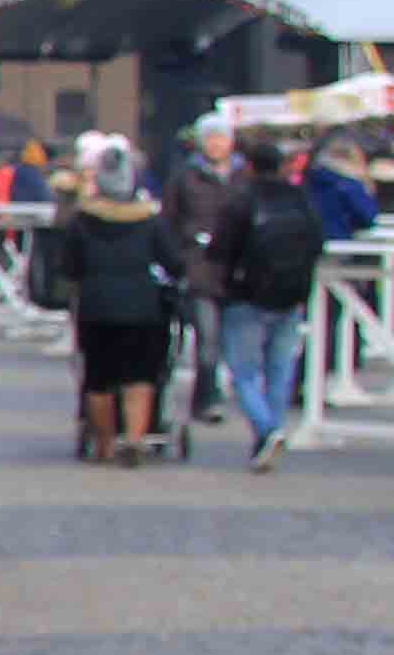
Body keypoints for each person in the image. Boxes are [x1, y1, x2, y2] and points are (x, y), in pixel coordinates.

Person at [53, 142, 184, 464]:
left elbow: (69, 267)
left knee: (98, 379)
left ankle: (105, 444)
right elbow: (174, 263)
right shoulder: (150, 220)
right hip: (143, 308)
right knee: (140, 376)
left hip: (96, 308)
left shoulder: (83, 221)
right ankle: (135, 439)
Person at [212, 132, 330, 466]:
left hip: (246, 295)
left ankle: (266, 430)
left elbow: (221, 249)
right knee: (279, 370)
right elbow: (318, 242)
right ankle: (272, 431)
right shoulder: (300, 199)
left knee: (244, 372)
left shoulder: (241, 200)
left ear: (249, 166)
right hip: (291, 294)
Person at [162, 117, 252, 448]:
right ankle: (206, 400)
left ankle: (229, 396)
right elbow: (168, 222)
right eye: (210, 138)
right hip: (199, 268)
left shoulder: (245, 177)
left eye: (221, 138)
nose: (216, 144)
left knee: (235, 341)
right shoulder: (184, 177)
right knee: (207, 341)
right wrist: (179, 259)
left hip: (237, 270)